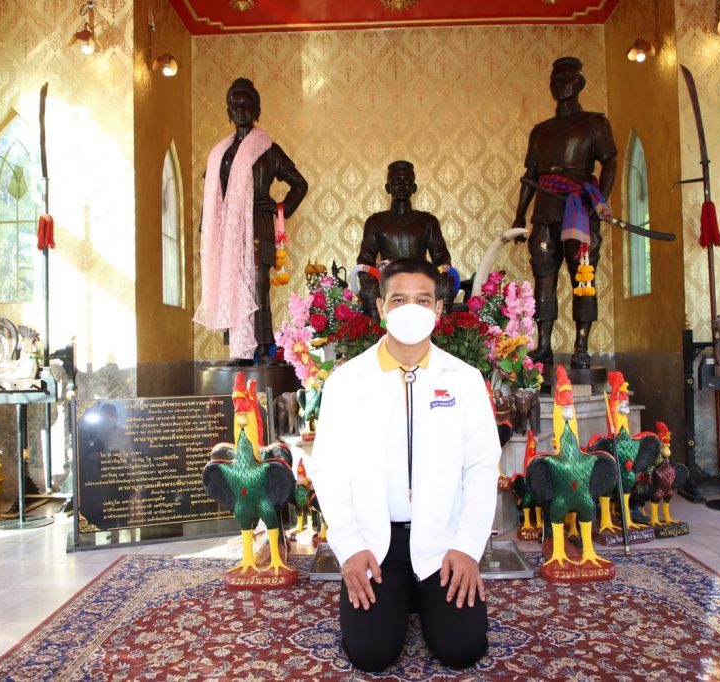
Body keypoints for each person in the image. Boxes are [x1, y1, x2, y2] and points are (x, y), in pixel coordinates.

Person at [308, 258, 501, 672]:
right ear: (381, 308)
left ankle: (423, 596)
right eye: (399, 300)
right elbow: (328, 468)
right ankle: (399, 597)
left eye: (422, 300)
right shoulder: (346, 382)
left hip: (443, 539)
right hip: (376, 543)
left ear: (438, 309)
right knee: (371, 655)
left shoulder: (464, 379)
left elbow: (482, 465)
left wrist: (467, 547)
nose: (410, 309)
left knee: (462, 649)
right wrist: (350, 547)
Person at [511, 56, 617, 370]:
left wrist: (599, 201)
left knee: (583, 276)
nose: (561, 86)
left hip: (579, 208)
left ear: (579, 83)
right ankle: (543, 346)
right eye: (556, 81)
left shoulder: (594, 123)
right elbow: (531, 175)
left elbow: (609, 162)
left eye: (567, 80)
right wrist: (519, 215)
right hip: (546, 209)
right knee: (543, 276)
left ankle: (581, 346)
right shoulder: (540, 131)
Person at [195, 77, 309, 364]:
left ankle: (263, 349)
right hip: (226, 234)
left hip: (258, 227)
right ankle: (240, 351)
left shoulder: (268, 149)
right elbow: (212, 198)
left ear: (257, 109)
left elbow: (300, 183)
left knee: (258, 286)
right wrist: (204, 234)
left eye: (246, 104)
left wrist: (280, 207)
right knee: (232, 286)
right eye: (235, 105)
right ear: (228, 111)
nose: (240, 110)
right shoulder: (220, 154)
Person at [356, 161, 456, 321]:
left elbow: (441, 255)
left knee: (445, 284)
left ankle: (440, 332)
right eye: (396, 182)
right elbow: (365, 258)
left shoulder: (427, 221)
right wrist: (368, 276)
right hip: (388, 277)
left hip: (421, 276)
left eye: (406, 182)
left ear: (414, 188)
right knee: (370, 289)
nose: (401, 186)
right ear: (388, 188)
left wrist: (440, 272)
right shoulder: (376, 222)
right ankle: (377, 332)